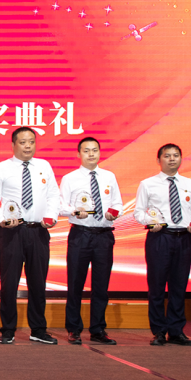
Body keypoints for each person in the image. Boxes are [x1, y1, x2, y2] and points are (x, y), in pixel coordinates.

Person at [0, 127, 60, 345]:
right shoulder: (0, 168)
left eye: (32, 142)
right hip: (12, 231)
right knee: (9, 282)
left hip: (38, 231)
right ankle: (8, 329)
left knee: (38, 282)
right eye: (23, 142)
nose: (28, 146)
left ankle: (38, 329)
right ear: (13, 145)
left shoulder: (44, 166)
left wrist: (52, 217)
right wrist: (2, 219)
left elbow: (54, 195)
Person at [134, 143, 191, 346]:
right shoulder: (148, 184)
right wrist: (150, 222)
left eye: (176, 155)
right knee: (156, 286)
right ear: (159, 160)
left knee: (179, 286)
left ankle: (176, 331)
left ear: (181, 158)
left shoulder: (190, 184)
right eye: (167, 156)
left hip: (184, 238)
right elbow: (138, 212)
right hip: (160, 237)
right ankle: (158, 331)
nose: (172, 159)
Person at [58, 137, 123, 345]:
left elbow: (118, 204)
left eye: (94, 150)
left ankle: (98, 329)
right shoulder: (70, 178)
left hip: (104, 234)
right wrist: (74, 211)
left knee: (101, 285)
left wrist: (114, 213)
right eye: (86, 151)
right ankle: (73, 328)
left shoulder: (109, 177)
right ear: (79, 154)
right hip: (80, 234)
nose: (91, 154)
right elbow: (60, 206)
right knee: (75, 283)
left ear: (99, 152)